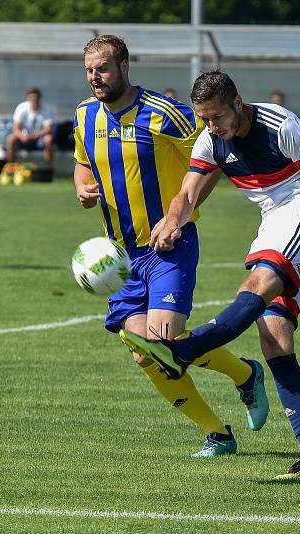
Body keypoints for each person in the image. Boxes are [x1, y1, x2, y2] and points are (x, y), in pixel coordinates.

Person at [119, 70, 300, 479]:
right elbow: (188, 192)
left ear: (238, 103)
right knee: (274, 338)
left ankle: (183, 351)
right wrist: (172, 219)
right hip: (273, 220)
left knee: (253, 285)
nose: (212, 126)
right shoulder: (211, 140)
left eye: (217, 117)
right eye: (204, 119)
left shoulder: (282, 127)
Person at [72, 35, 268, 458]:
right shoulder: (85, 115)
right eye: (89, 70)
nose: (95, 77)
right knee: (148, 355)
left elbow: (211, 156)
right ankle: (218, 431)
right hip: (119, 256)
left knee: (164, 340)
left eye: (102, 68)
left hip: (168, 247)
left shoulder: (165, 114)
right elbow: (83, 162)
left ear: (124, 66)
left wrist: (176, 216)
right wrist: (83, 188)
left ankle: (244, 374)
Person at [6, 87, 55, 168]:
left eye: (35, 98)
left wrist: (34, 136)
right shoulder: (21, 108)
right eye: (31, 98)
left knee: (48, 139)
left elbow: (48, 129)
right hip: (24, 138)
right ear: (27, 98)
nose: (33, 100)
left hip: (39, 139)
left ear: (39, 98)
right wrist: (22, 136)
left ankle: (49, 168)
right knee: (11, 139)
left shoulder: (46, 109)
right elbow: (15, 129)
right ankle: (11, 167)